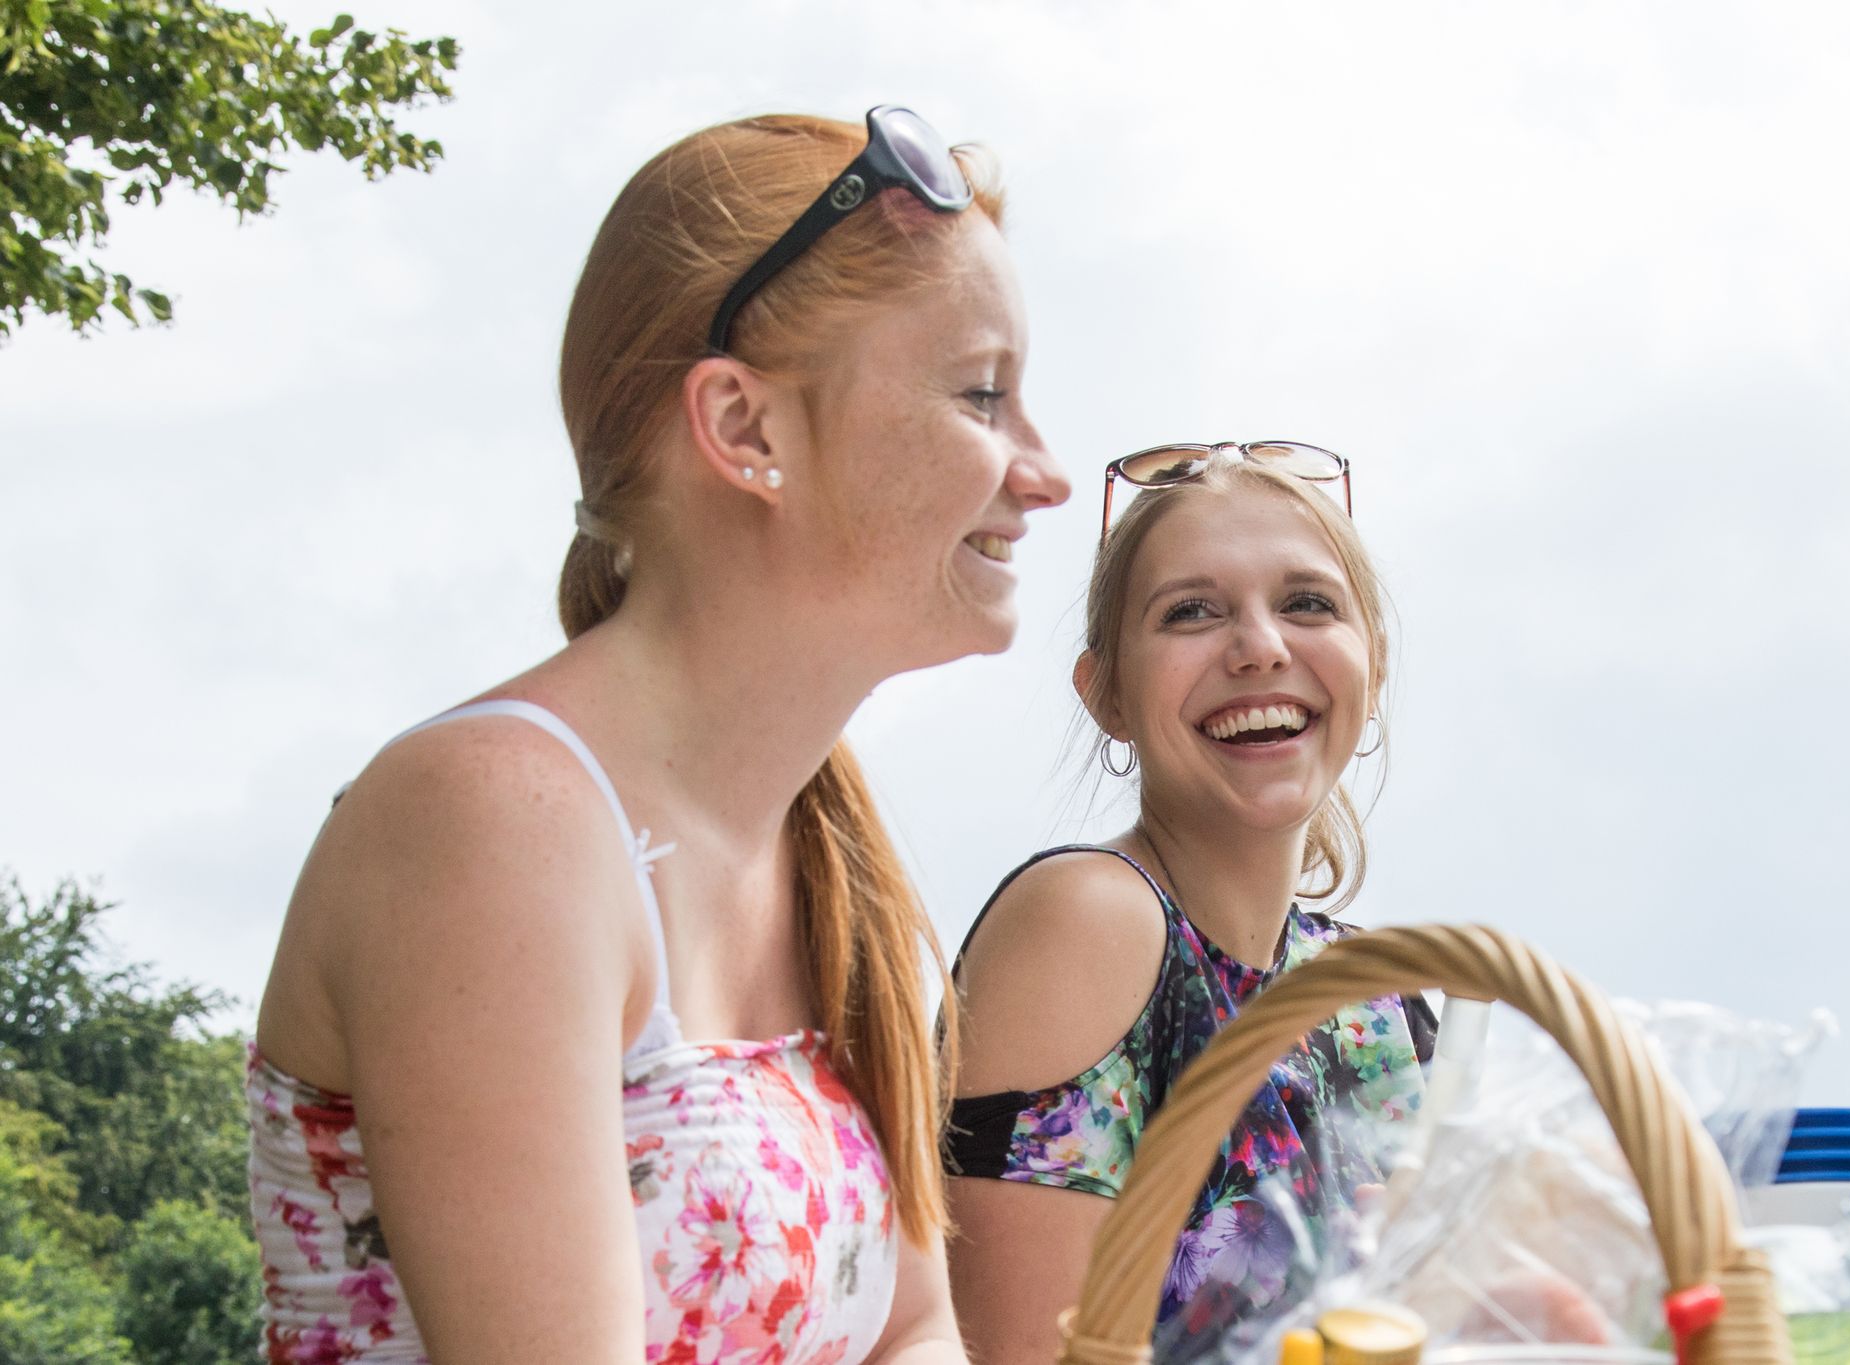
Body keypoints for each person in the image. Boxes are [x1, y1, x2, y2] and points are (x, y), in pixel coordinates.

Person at [245, 106, 1069, 1364]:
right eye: (981, 395)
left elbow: (912, 1330)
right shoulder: (492, 823)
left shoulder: (833, 858)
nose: (1042, 470)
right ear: (742, 428)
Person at [945, 443, 1431, 1362]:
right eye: (1191, 612)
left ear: (1369, 667)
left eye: (1308, 602)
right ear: (1106, 695)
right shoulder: (1089, 922)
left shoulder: (1377, 1001)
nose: (1261, 646)